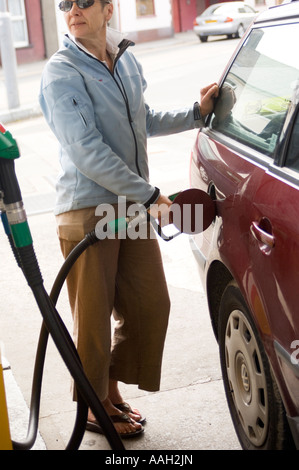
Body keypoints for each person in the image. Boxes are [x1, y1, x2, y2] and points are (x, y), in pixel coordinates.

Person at [39, 0, 219, 438]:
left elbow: (144, 120)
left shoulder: (125, 60)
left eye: (83, 2)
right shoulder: (62, 71)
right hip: (88, 208)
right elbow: (86, 150)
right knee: (94, 319)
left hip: (130, 206)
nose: (72, 10)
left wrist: (197, 114)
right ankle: (96, 402)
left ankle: (108, 388)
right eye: (65, 4)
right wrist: (152, 195)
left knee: (149, 304)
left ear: (107, 9)